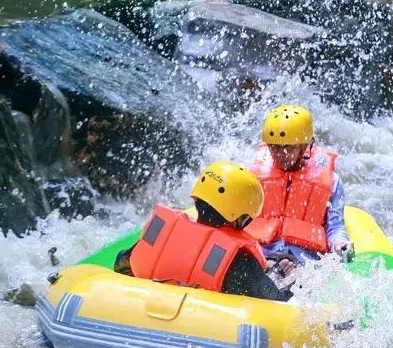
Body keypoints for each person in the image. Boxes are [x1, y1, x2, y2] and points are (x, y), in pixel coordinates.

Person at [114, 161, 290, 301]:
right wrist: (278, 273)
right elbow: (274, 300)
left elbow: (122, 263)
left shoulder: (163, 232)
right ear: (239, 218)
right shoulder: (238, 260)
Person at [247, 104, 352, 272]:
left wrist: (340, 244)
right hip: (263, 254)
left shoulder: (332, 182)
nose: (280, 153)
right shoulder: (252, 177)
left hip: (303, 259)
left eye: (288, 146)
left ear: (304, 146)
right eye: (274, 146)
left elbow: (335, 226)